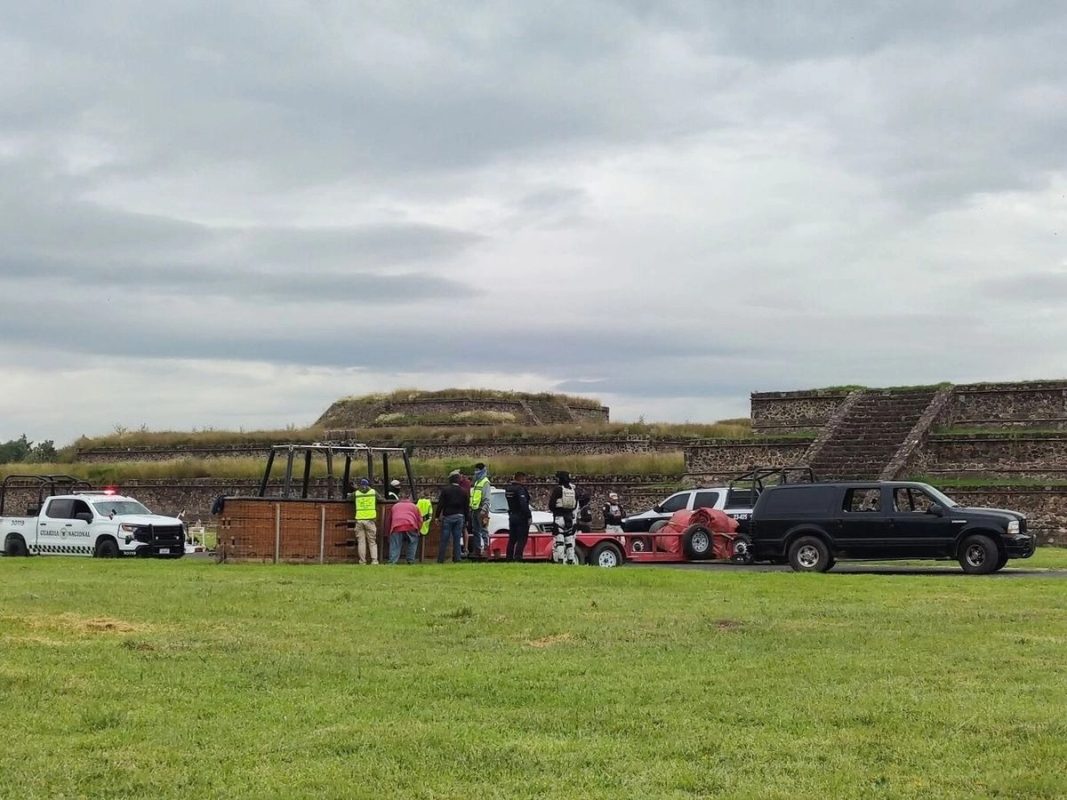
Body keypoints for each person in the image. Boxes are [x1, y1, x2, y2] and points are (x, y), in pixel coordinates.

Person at [435, 474, 468, 563]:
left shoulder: (445, 490)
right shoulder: (464, 491)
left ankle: (440, 559)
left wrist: (437, 517)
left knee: (444, 539)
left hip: (448, 516)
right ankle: (457, 558)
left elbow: (440, 504)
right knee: (457, 539)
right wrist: (467, 519)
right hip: (460, 516)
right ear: (458, 481)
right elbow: (466, 507)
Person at [547, 471, 579, 564]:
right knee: (569, 538)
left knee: (559, 539)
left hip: (559, 517)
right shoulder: (573, 490)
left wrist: (556, 511)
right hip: (569, 518)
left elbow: (551, 505)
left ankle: (560, 559)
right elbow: (575, 505)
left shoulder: (558, 490)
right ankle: (570, 559)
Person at [504, 472, 532, 562]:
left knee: (512, 539)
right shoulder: (520, 489)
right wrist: (528, 516)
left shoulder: (508, 489)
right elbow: (523, 504)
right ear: (521, 479)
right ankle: (518, 557)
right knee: (522, 539)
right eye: (524, 479)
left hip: (512, 515)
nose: (525, 481)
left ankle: (509, 557)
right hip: (521, 517)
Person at [351, 478, 379, 565]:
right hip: (370, 520)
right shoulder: (373, 492)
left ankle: (362, 561)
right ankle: (374, 561)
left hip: (359, 520)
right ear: (368, 485)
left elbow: (349, 497)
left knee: (361, 542)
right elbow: (382, 499)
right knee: (372, 542)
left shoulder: (356, 493)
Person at [388, 494, 422, 565]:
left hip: (396, 526)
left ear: (400, 498)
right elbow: (419, 519)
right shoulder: (414, 506)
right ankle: (410, 561)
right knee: (413, 542)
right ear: (409, 498)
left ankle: (392, 561)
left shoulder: (395, 506)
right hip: (411, 525)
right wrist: (419, 529)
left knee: (395, 544)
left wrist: (389, 531)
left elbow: (390, 520)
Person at [469, 462, 491, 556]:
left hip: (482, 510)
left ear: (482, 470)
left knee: (484, 531)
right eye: (475, 470)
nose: (476, 472)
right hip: (475, 509)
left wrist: (484, 510)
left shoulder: (485, 482)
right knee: (475, 531)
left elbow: (487, 498)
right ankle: (477, 551)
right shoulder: (477, 482)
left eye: (477, 470)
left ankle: (486, 549)